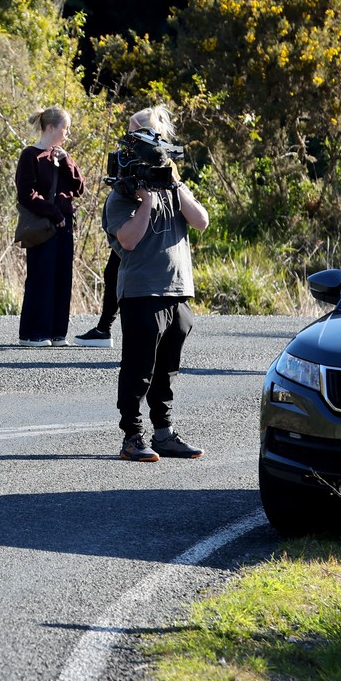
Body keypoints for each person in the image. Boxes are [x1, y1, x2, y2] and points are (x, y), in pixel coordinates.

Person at [105, 106, 210, 462]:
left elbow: (201, 221)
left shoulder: (174, 188)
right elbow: (129, 239)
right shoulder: (121, 196)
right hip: (141, 291)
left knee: (166, 371)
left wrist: (174, 185)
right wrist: (147, 199)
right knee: (138, 370)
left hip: (178, 291)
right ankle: (132, 437)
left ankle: (163, 433)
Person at [74, 108, 170, 347]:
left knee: (125, 277)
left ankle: (112, 331)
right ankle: (104, 328)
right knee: (112, 273)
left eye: (133, 132)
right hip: (130, 220)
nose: (128, 138)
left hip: (143, 226)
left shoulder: (161, 160)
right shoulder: (131, 156)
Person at [16, 106, 86, 346]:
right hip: (44, 225)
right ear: (51, 128)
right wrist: (54, 213)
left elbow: (79, 188)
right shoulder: (30, 155)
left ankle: (57, 332)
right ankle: (33, 333)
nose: (68, 133)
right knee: (41, 277)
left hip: (65, 225)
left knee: (62, 278)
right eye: (65, 128)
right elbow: (26, 194)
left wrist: (67, 161)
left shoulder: (62, 155)